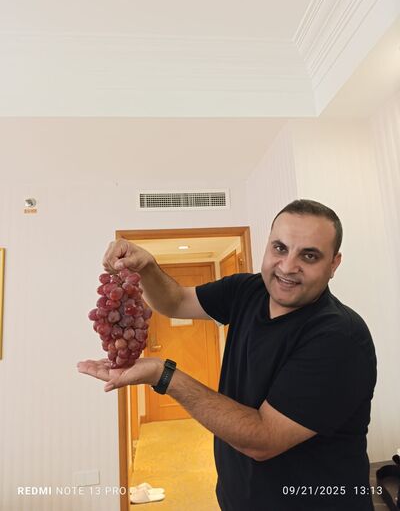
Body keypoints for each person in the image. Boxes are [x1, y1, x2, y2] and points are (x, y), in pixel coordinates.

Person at [77, 199, 377, 511]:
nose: (288, 266)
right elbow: (176, 301)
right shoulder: (248, 290)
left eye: (309, 255)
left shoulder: (340, 338)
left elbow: (263, 438)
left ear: (334, 264)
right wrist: (148, 266)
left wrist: (163, 375)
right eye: (280, 248)